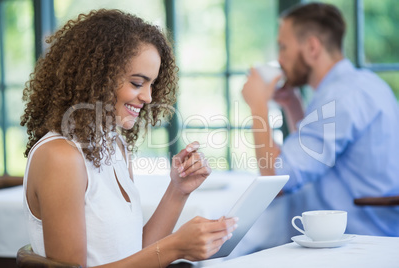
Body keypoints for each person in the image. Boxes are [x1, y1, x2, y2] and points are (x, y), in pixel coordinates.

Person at [20, 9, 238, 267]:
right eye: (137, 83)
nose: (148, 97)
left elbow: (133, 253)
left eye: (152, 85)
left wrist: (178, 191)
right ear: (97, 77)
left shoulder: (115, 144)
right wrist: (174, 247)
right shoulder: (60, 156)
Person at [241, 2, 399, 237]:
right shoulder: (363, 83)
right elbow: (316, 153)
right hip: (381, 228)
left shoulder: (338, 98)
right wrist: (291, 103)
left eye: (283, 48)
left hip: (357, 238)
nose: (280, 59)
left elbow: (276, 180)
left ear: (312, 48)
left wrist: (258, 105)